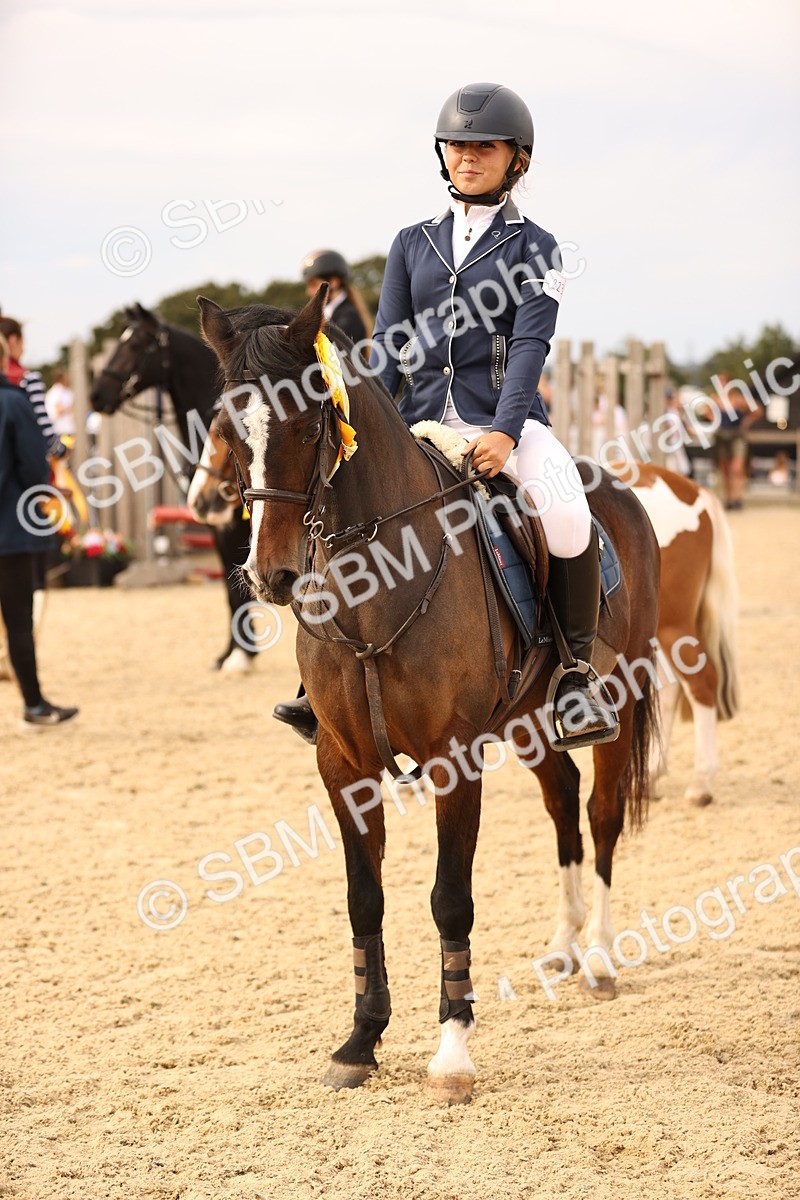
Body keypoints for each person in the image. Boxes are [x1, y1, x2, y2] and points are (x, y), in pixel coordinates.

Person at [274, 82, 618, 750]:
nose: (468, 157)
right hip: (416, 421)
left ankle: (574, 675)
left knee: (568, 510)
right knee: (337, 505)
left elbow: (528, 344)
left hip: (503, 421)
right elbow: (390, 343)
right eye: (457, 146)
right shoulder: (412, 243)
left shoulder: (537, 247)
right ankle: (319, 679)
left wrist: (505, 431)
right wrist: (364, 422)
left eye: (483, 147)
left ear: (516, 159)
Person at [0, 333, 78, 724]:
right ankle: (33, 704)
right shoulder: (13, 402)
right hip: (10, 531)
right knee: (17, 621)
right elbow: (33, 466)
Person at [299, 249, 373, 346]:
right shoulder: (331, 314)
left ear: (334, 282)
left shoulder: (348, 318)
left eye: (313, 284)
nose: (308, 291)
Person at [712, 373, 763, 510]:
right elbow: (707, 413)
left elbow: (757, 410)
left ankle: (737, 498)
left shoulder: (738, 400)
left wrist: (746, 422)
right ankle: (729, 499)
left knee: (737, 468)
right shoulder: (715, 400)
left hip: (737, 436)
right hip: (721, 436)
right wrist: (714, 421)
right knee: (725, 469)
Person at [45, 367, 76, 437]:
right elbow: (58, 410)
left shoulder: (65, 391)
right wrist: (71, 408)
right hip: (62, 430)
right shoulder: (57, 391)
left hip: (66, 429)